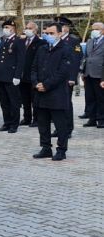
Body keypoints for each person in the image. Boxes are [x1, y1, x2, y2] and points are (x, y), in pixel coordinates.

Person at [32, 22, 72, 161]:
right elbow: (34, 68)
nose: (48, 36)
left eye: (51, 33)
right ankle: (46, 148)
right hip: (40, 93)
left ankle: (61, 150)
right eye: (46, 33)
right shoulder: (42, 49)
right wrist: (36, 83)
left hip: (56, 93)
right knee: (42, 123)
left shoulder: (65, 49)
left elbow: (63, 72)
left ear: (60, 34)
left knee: (60, 124)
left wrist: (47, 85)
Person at [0, 19, 25, 134]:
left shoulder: (18, 41)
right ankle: (6, 123)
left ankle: (14, 124)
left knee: (13, 102)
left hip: (11, 77)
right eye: (4, 27)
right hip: (1, 76)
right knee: (4, 102)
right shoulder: (4, 41)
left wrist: (17, 76)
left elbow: (21, 60)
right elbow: (0, 60)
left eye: (7, 27)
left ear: (13, 28)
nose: (5, 29)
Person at [54, 16, 81, 138]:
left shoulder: (73, 41)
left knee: (66, 104)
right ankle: (58, 128)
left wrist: (72, 78)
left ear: (66, 28)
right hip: (55, 78)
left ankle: (68, 129)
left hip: (66, 78)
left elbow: (75, 61)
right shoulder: (55, 40)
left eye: (61, 26)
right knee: (56, 104)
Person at [20, 22, 45, 127]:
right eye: (26, 28)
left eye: (30, 28)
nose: (27, 30)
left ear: (35, 30)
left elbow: (41, 60)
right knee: (25, 99)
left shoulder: (40, 43)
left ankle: (37, 119)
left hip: (34, 76)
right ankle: (27, 118)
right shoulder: (22, 42)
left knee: (35, 100)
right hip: (22, 75)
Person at [82, 22, 104, 128]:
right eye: (92, 29)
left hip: (100, 74)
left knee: (100, 98)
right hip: (88, 73)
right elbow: (85, 57)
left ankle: (101, 119)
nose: (93, 31)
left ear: (102, 30)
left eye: (96, 29)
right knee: (90, 97)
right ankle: (92, 118)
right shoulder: (90, 41)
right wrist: (83, 72)